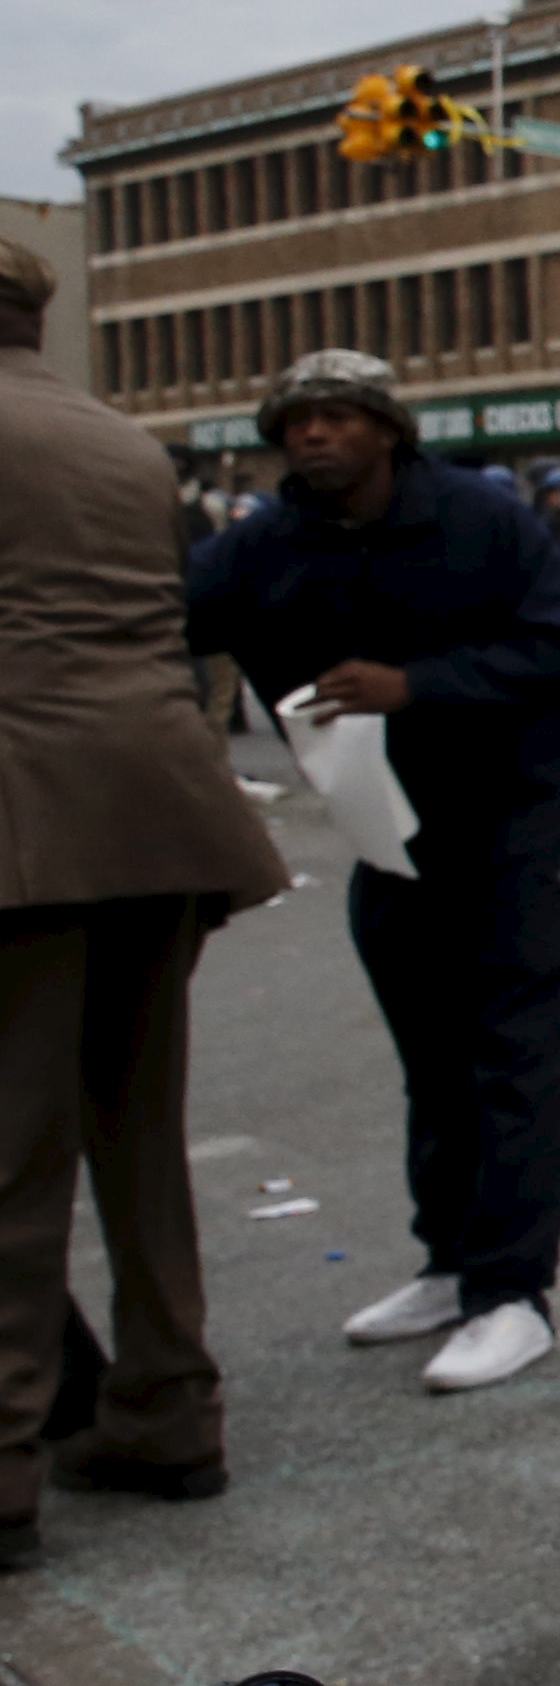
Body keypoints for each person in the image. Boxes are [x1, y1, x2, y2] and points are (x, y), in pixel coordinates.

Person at [186, 350, 560, 1396]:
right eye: (293, 421)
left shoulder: (480, 521)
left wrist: (418, 686)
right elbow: (172, 626)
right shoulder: (263, 548)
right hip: (386, 840)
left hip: (515, 830)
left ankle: (514, 1295)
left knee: (518, 1062)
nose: (312, 435)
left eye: (334, 416)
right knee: (434, 1063)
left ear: (387, 431)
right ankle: (451, 1262)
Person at [0, 240, 292, 1557]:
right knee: (136, 1129)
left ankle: (7, 1458)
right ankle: (171, 1405)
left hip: (25, 811)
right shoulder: (120, 438)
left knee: (12, 1155)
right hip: (161, 802)